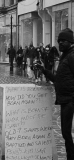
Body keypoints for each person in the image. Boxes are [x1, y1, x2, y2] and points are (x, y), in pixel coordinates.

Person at [38, 28, 74, 160]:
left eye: (63, 41)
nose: (60, 44)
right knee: (65, 132)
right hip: (64, 99)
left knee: (66, 132)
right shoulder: (65, 56)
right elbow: (58, 80)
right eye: (59, 41)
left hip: (70, 99)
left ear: (70, 42)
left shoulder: (71, 56)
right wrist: (44, 70)